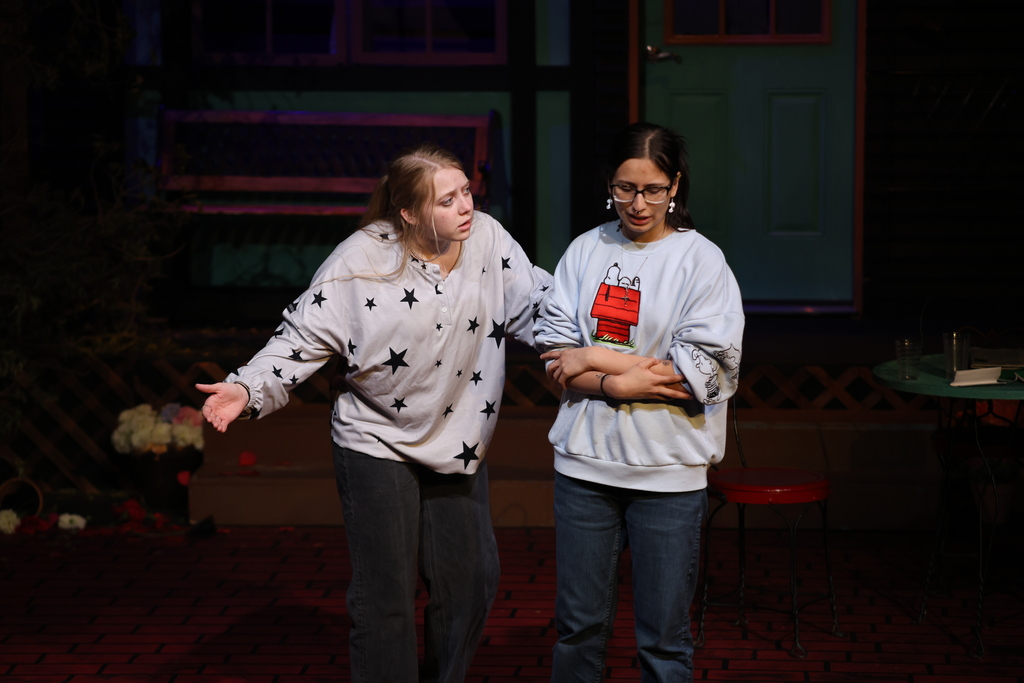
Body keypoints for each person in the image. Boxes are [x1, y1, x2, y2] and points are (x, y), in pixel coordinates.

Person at [196, 144, 551, 683]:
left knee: (471, 580)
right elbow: (301, 337)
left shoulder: (488, 240)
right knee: (386, 593)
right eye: (447, 199)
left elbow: (540, 306)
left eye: (466, 193)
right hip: (375, 442)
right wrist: (247, 389)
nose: (466, 207)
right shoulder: (359, 262)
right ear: (408, 212)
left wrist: (606, 341)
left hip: (457, 439)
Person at [534, 122, 744, 682]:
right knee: (577, 630)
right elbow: (556, 357)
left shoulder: (700, 261)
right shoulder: (586, 250)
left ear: (675, 186)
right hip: (584, 466)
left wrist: (594, 359)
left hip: (669, 473)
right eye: (626, 188)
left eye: (653, 189)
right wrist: (612, 384)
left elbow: (703, 371)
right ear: (610, 184)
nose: (638, 203)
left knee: (664, 641)